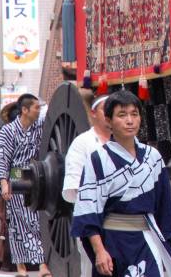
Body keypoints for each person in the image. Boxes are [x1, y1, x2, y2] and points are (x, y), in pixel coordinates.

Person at [71, 90, 171, 277]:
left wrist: (166, 243)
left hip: (147, 240)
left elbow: (164, 205)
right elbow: (88, 208)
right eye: (122, 115)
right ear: (109, 121)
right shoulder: (98, 159)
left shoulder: (153, 157)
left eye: (134, 114)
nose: (130, 120)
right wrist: (99, 251)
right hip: (112, 243)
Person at [0, 94, 47, 277]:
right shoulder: (8, 131)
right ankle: (22, 267)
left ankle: (43, 264)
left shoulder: (38, 126)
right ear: (25, 110)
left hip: (38, 174)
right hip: (15, 174)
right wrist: (4, 184)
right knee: (19, 225)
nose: (39, 110)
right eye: (36, 107)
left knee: (38, 222)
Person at [64, 92, 112, 277]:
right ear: (93, 113)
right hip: (94, 218)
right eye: (104, 109)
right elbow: (76, 186)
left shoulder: (126, 142)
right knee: (93, 268)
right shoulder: (82, 143)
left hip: (125, 222)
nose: (108, 114)